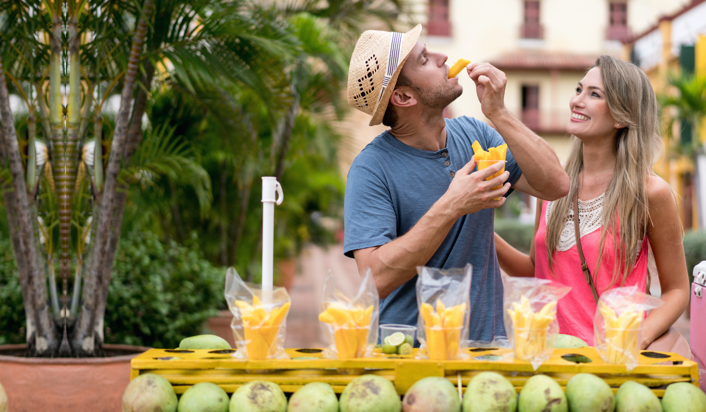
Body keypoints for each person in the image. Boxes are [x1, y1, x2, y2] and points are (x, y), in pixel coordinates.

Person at [343, 25, 570, 342]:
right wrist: (452, 204)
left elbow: (556, 185)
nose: (443, 57)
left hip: (487, 349)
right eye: (424, 60)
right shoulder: (371, 169)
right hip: (410, 356)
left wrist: (499, 112)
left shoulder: (477, 134)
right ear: (404, 96)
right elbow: (375, 279)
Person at [495, 55, 691, 347]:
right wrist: (478, 225)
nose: (577, 101)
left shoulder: (650, 192)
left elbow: (677, 290)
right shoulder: (552, 183)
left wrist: (637, 339)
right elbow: (538, 273)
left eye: (594, 94)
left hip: (613, 363)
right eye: (578, 90)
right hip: (550, 357)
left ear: (623, 117)